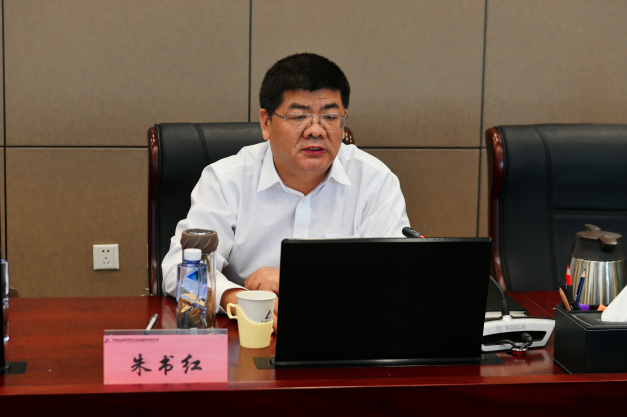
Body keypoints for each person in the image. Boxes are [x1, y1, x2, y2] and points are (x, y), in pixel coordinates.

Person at [162, 53, 410, 331]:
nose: (316, 130)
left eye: (330, 116)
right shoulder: (226, 180)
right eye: (298, 116)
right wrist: (238, 299)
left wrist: (299, 280)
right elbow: (178, 271)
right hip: (248, 337)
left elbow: (395, 276)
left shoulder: (374, 181)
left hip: (343, 334)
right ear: (266, 122)